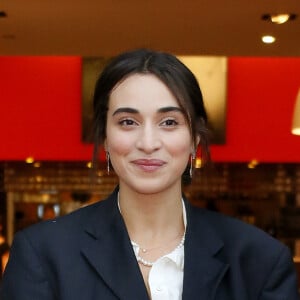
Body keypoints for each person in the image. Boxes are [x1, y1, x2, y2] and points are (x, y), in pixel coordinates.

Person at [0, 49, 298, 299]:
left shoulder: (259, 260)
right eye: (128, 122)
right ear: (105, 138)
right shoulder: (43, 255)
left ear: (194, 140)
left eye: (169, 122)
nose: (148, 143)